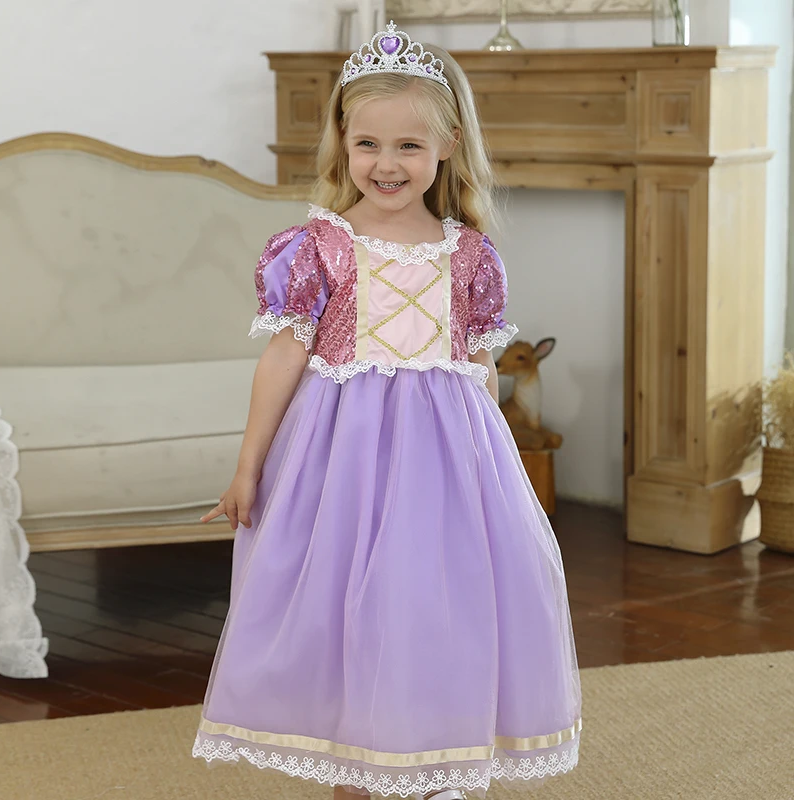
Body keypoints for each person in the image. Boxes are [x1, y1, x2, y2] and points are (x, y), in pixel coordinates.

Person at [192, 20, 582, 800]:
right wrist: (248, 467)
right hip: (343, 464)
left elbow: (478, 370)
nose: (387, 163)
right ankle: (357, 772)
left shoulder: (469, 255)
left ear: (448, 147)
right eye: (368, 143)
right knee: (348, 610)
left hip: (447, 465)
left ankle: (435, 763)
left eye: (409, 145)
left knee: (437, 605)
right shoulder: (318, 247)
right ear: (342, 141)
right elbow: (284, 358)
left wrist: (494, 476)